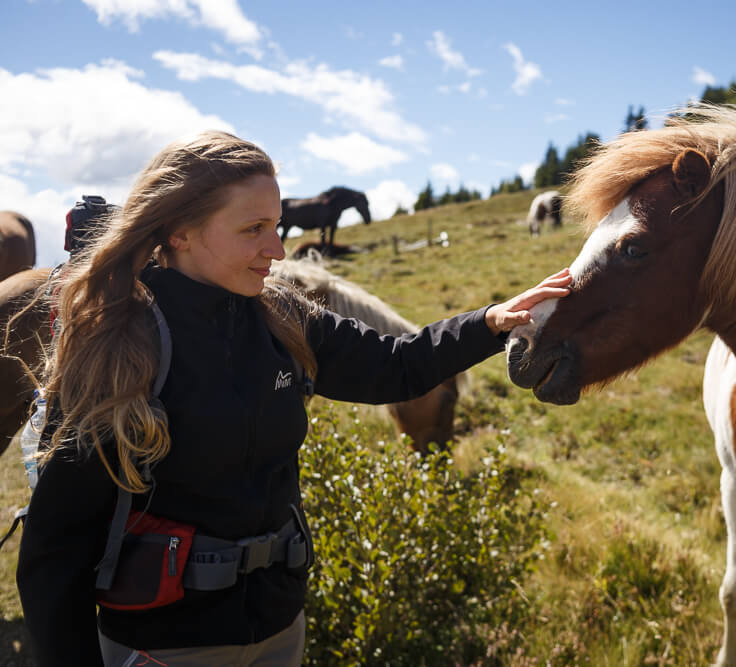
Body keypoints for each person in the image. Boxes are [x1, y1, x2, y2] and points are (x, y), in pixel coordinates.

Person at [16, 130, 571, 666]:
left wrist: (492, 322)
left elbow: (397, 366)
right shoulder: (118, 345)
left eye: (277, 226)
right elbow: (54, 551)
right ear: (179, 232)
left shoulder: (284, 319)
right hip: (164, 645)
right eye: (254, 229)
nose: (277, 250)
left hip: (278, 629)